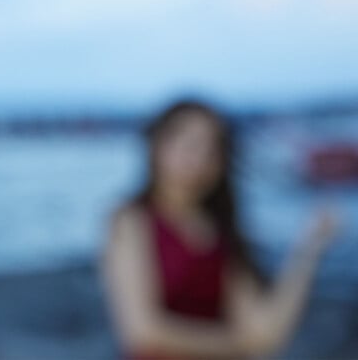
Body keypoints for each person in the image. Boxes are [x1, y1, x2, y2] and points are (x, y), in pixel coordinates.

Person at [103, 100, 337, 359]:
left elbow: (267, 331)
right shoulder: (131, 219)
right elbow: (142, 332)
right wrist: (241, 343)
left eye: (211, 148)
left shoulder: (221, 231)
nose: (198, 158)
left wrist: (309, 248)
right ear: (157, 145)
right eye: (188, 142)